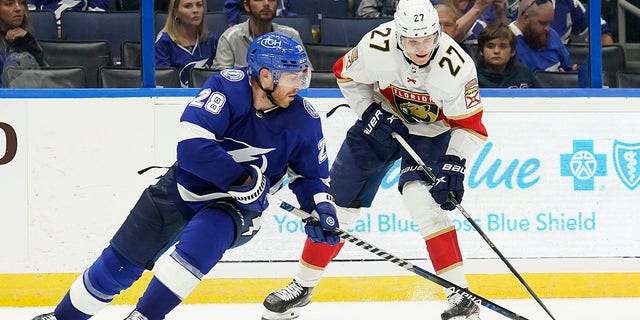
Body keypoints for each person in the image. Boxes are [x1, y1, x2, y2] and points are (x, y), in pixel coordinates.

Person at [31, 32, 340, 320]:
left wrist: (321, 209)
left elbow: (310, 177)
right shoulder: (227, 88)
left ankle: (144, 317)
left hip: (237, 210)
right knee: (120, 265)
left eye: (302, 74)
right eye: (292, 77)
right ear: (265, 76)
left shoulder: (304, 119)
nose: (299, 84)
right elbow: (193, 148)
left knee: (206, 235)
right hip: (185, 186)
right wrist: (243, 181)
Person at [262, 1, 487, 320]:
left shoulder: (457, 67)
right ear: (397, 35)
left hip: (433, 132)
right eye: (412, 40)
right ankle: (302, 287)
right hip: (380, 122)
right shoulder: (376, 45)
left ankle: (460, 295)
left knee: (423, 202)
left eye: (427, 38)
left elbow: (471, 127)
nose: (421, 48)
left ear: (437, 31)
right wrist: (368, 110)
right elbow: (345, 75)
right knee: (334, 206)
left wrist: (455, 163)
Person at [212, 0, 307, 70]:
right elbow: (222, 80)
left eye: (272, 0)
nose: (266, 3)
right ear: (246, 5)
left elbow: (306, 74)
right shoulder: (230, 38)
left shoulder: (291, 37)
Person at [155, 0, 219, 88]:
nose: (195, 10)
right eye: (188, 6)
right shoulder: (164, 42)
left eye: (199, 5)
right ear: (175, 12)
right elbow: (163, 81)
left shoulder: (211, 40)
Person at [508, 0, 576, 72]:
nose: (548, 29)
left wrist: (567, 76)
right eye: (543, 23)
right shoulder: (505, 43)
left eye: (550, 23)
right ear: (526, 18)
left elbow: (568, 69)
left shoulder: (552, 35)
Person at [476, 22, 539, 87]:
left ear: (512, 51)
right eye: (490, 47)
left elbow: (541, 96)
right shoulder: (472, 78)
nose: (496, 51)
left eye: (503, 47)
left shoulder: (524, 75)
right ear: (481, 50)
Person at [1, 0, 46, 87]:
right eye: (9, 4)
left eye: (22, 3)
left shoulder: (27, 38)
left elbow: (45, 78)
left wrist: (30, 43)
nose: (18, 8)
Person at [223, 0, 294, 26]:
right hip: (254, 28)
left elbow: (285, 9)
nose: (266, 3)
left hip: (279, 26)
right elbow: (231, 12)